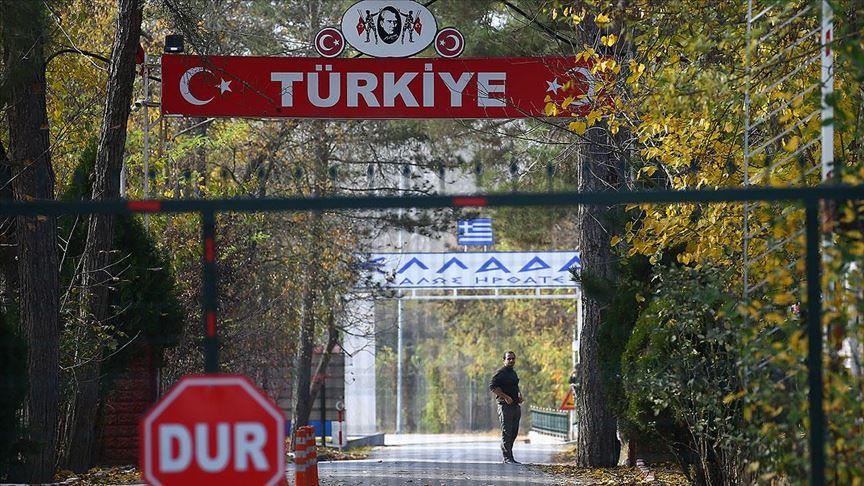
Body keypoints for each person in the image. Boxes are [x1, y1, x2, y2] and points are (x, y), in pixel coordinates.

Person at [489, 350, 523, 464]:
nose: (511, 360)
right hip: (504, 406)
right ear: (504, 360)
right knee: (507, 431)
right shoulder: (501, 373)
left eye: (513, 358)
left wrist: (520, 395)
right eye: (509, 359)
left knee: (514, 431)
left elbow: (516, 386)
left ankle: (510, 455)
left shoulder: (513, 373)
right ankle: (507, 457)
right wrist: (505, 397)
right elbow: (492, 387)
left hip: (515, 405)